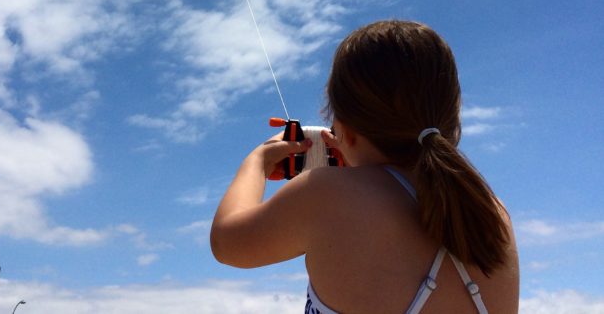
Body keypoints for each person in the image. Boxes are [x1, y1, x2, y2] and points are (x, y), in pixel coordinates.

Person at [210, 20, 519, 313]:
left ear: (344, 129)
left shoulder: (327, 193)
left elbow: (227, 242)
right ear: (451, 120)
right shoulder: (492, 213)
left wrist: (257, 163)